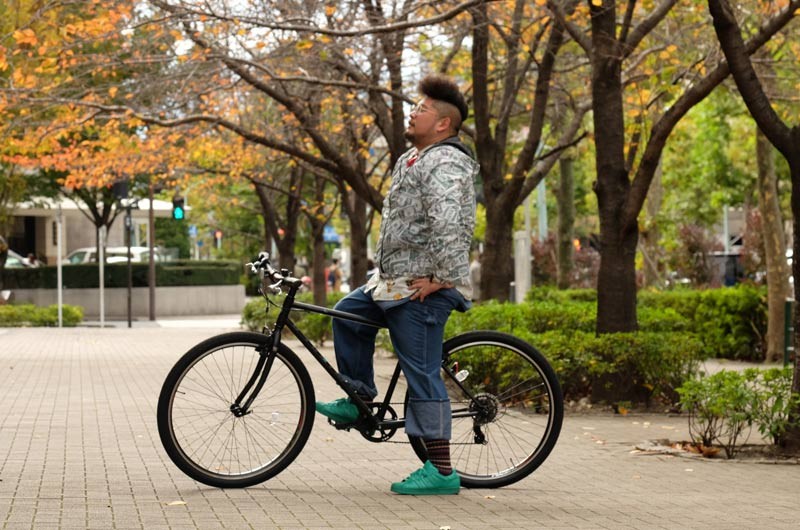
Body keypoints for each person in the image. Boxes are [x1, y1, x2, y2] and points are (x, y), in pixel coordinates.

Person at [315, 74, 478, 495]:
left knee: (421, 376)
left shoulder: (446, 161)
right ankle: (361, 398)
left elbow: (449, 223)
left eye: (422, 108)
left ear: (443, 123)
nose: (413, 111)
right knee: (347, 314)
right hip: (391, 283)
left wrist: (444, 279)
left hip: (421, 289)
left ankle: (442, 473)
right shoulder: (414, 158)